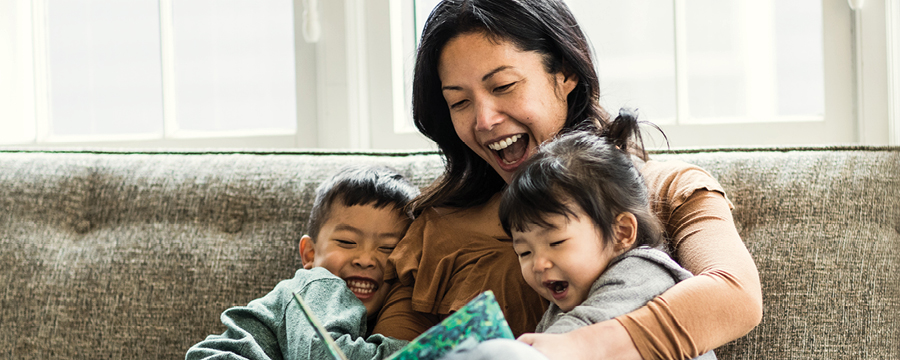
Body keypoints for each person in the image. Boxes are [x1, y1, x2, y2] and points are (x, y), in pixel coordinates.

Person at [372, 0, 763, 359]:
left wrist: (577, 346)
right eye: (459, 101)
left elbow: (736, 295)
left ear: (566, 74)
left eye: (503, 86)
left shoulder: (665, 188)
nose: (484, 120)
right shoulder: (437, 229)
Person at [498, 117, 715, 360]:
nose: (538, 264)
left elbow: (585, 328)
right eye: (524, 252)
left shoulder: (642, 273)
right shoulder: (563, 307)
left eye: (556, 242)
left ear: (621, 232)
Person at [186, 166, 418, 360]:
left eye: (388, 248)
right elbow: (326, 353)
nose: (366, 260)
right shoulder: (318, 284)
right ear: (309, 255)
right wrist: (421, 351)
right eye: (347, 242)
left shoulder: (391, 313)